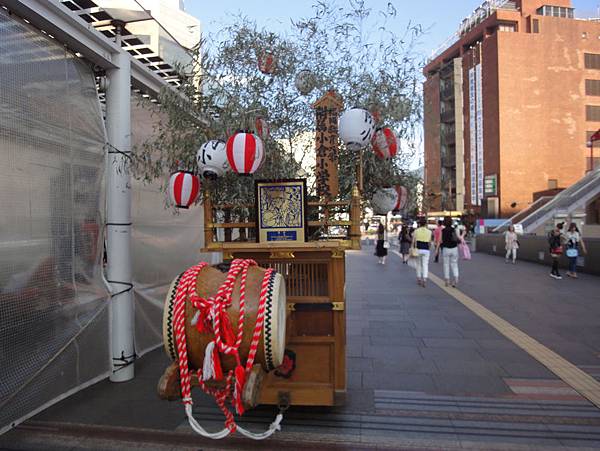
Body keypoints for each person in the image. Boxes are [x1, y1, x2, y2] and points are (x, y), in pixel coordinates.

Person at [436, 217, 461, 287]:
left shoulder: (443, 230)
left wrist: (437, 249)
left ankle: (447, 280)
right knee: (454, 264)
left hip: (446, 249)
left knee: (446, 264)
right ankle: (456, 278)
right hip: (454, 248)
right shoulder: (454, 230)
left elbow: (440, 240)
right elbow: (458, 238)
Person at [411, 217, 432, 287]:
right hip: (426, 249)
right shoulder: (429, 232)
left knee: (418, 265)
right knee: (425, 265)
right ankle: (425, 279)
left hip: (418, 249)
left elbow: (413, 241)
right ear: (426, 224)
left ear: (419, 224)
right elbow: (429, 242)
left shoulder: (416, 231)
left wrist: (412, 248)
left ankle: (419, 278)